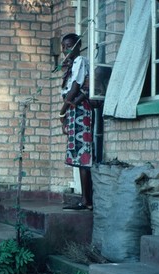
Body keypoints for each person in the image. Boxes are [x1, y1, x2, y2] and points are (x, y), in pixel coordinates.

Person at [59, 33, 94, 211]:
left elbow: (74, 89)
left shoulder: (80, 61)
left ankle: (86, 200)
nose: (67, 49)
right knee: (77, 156)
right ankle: (84, 199)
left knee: (82, 156)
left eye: (70, 45)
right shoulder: (71, 66)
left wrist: (61, 113)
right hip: (73, 111)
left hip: (80, 111)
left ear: (79, 46)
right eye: (64, 46)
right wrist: (65, 115)